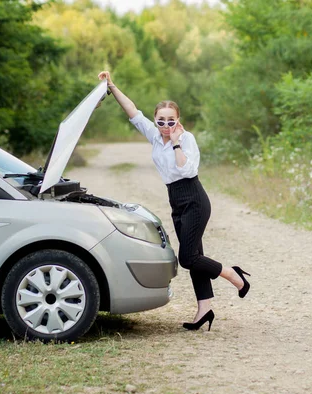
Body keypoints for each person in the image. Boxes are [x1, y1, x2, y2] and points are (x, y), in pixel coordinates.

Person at [98, 71, 251, 331]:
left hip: (194, 199)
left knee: (188, 258)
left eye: (171, 121)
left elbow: (187, 170)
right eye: (161, 121)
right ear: (156, 120)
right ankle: (205, 308)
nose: (166, 126)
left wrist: (177, 143)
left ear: (178, 121)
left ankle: (233, 274)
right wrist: (111, 86)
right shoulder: (155, 136)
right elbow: (133, 110)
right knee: (196, 256)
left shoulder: (186, 139)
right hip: (176, 201)